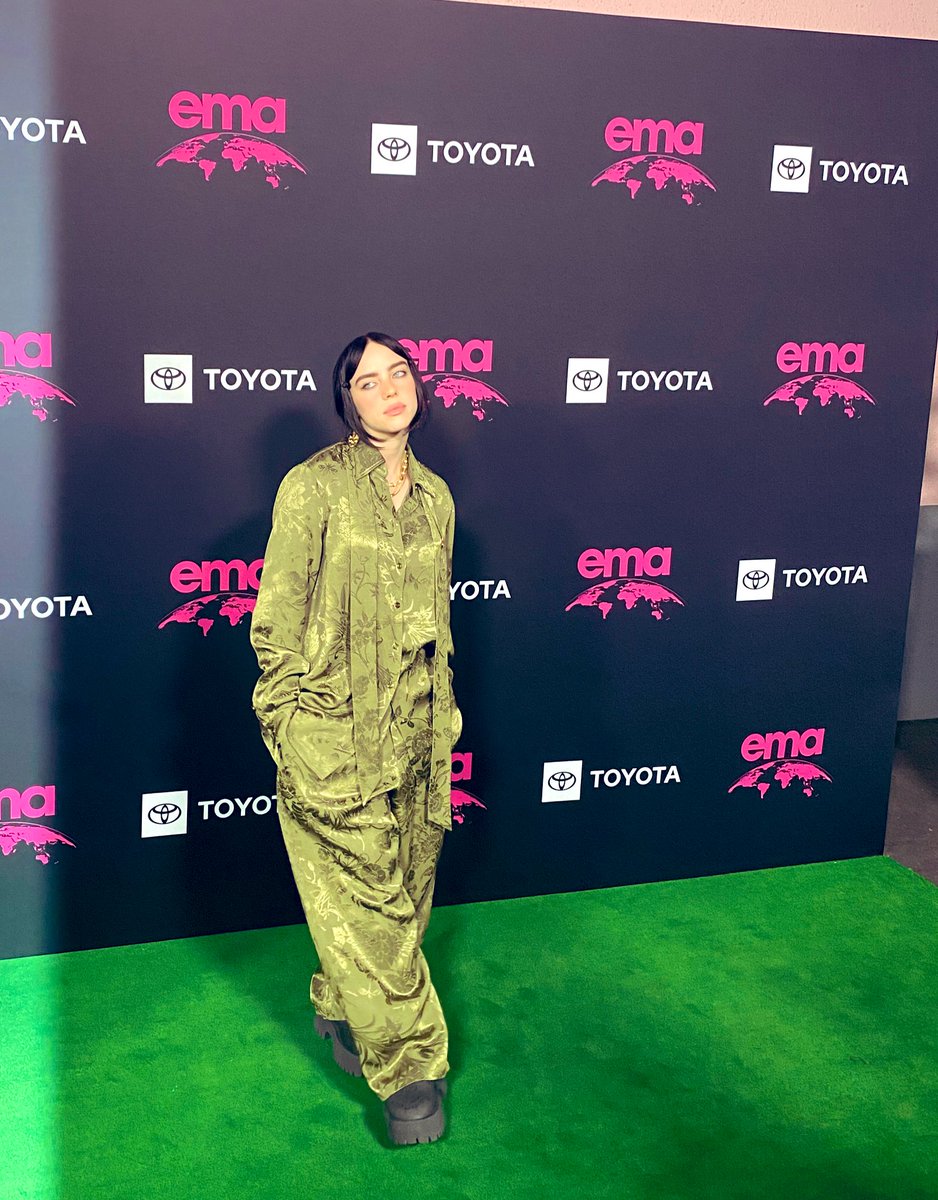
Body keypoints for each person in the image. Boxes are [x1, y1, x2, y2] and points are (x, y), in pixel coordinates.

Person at [249, 332, 462, 1147]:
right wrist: (289, 722)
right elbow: (276, 618)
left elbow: (436, 620)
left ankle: (339, 1005)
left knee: (404, 892)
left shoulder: (437, 497)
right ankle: (408, 1068)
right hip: (335, 733)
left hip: (419, 733)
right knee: (372, 901)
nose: (389, 389)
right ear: (347, 401)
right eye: (368, 381)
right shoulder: (314, 487)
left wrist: (443, 717)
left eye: (398, 374)